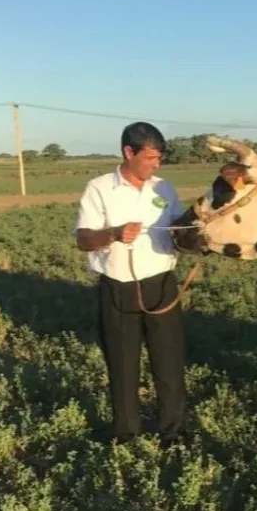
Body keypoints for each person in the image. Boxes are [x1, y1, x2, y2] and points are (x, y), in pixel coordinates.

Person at [75, 121, 188, 445]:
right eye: (151, 158)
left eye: (159, 158)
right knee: (123, 364)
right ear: (128, 152)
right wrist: (113, 233)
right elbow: (83, 239)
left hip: (162, 284)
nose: (157, 164)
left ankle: (174, 432)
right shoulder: (99, 188)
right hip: (119, 287)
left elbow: (178, 228)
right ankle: (126, 434)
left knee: (169, 362)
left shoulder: (164, 188)